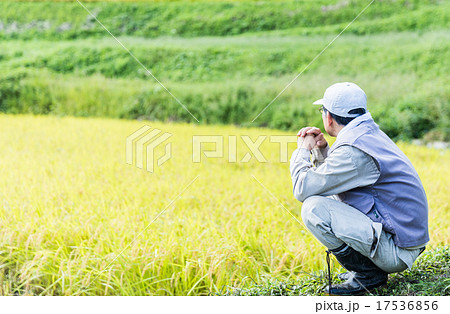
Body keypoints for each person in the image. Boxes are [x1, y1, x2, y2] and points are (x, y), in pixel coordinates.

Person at [289, 82, 429, 295]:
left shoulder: (354, 150)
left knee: (313, 208)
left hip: (397, 251)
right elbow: (339, 178)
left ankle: (367, 275)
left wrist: (302, 150)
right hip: (405, 240)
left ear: (329, 117)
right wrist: (321, 149)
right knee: (327, 200)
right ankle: (367, 269)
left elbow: (302, 188)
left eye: (323, 111)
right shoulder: (366, 134)